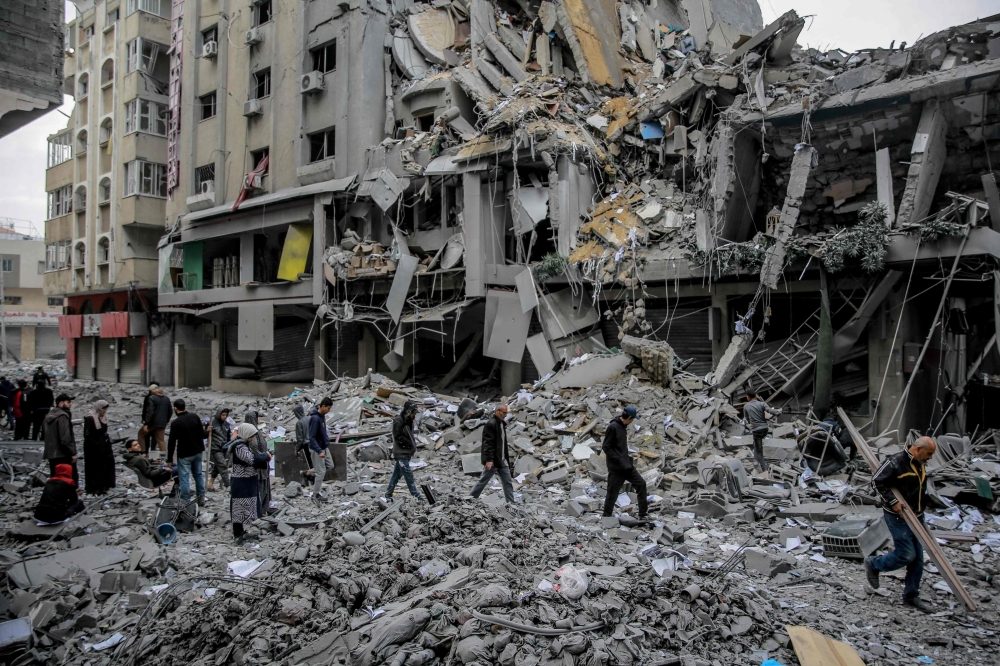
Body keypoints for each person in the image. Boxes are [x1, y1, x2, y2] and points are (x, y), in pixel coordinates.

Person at [864, 437, 938, 614]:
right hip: (898, 516)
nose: (930, 458)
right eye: (929, 454)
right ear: (918, 449)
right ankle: (874, 564)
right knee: (907, 554)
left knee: (918, 559)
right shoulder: (896, 462)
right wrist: (894, 501)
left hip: (916, 515)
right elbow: (876, 481)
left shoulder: (919, 462)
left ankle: (911, 595)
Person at [601, 405, 648, 519]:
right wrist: (618, 459)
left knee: (641, 484)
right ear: (629, 418)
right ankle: (606, 517)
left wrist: (624, 460)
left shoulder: (622, 427)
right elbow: (606, 447)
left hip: (626, 466)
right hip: (616, 468)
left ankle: (643, 514)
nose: (631, 422)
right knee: (612, 493)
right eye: (632, 419)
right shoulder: (613, 427)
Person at [229, 423, 272, 544]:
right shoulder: (239, 446)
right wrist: (265, 456)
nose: (252, 438)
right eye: (251, 435)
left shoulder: (243, 444)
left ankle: (241, 531)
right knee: (238, 508)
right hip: (241, 482)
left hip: (246, 481)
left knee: (245, 505)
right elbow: (251, 459)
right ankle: (237, 534)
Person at [470, 403, 516, 504]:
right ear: (497, 411)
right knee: (483, 480)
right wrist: (489, 459)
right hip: (494, 460)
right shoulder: (491, 424)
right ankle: (470, 499)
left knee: (507, 481)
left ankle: (511, 504)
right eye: (504, 413)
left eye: (506, 413)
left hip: (501, 460)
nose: (505, 415)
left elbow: (502, 442)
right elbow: (488, 443)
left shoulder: (501, 424)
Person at [167, 399, 207, 506]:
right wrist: (208, 431)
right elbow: (203, 434)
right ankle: (201, 497)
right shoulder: (194, 417)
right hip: (198, 451)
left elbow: (171, 443)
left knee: (184, 478)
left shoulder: (175, 423)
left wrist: (169, 459)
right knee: (198, 474)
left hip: (184, 454)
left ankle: (186, 500)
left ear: (175, 408)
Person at [384, 400, 422, 503]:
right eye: (413, 413)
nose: (414, 415)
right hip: (401, 453)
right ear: (409, 411)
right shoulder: (399, 421)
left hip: (407, 453)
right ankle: (416, 495)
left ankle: (388, 494)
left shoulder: (408, 420)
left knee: (396, 475)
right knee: (408, 473)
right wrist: (409, 444)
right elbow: (398, 437)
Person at [743, 389, 782, 472]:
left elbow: (747, 420)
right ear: (756, 396)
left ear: (748, 397)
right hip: (765, 429)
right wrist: (778, 412)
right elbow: (770, 411)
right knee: (756, 444)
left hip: (756, 430)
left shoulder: (746, 406)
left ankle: (764, 469)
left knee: (759, 450)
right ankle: (756, 461)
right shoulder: (762, 404)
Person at [243, 410, 274, 514]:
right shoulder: (249, 433)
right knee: (258, 489)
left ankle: (263, 509)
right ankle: (257, 511)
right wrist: (264, 456)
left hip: (263, 464)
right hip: (258, 466)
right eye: (257, 417)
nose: (259, 420)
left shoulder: (256, 431)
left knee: (264, 487)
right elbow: (254, 450)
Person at [43, 394, 78, 485]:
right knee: (68, 479)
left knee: (55, 477)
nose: (70, 404)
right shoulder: (63, 416)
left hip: (52, 453)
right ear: (61, 403)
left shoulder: (50, 416)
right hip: (62, 453)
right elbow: (65, 438)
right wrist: (72, 453)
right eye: (68, 402)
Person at [83, 399, 116, 495]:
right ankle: (94, 488)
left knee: (105, 465)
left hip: (103, 445)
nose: (104, 411)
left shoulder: (103, 418)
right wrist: (96, 444)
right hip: (93, 447)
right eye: (103, 409)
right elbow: (88, 435)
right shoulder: (90, 418)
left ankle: (104, 486)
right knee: (94, 467)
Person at [307, 398, 334, 501]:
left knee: (330, 465)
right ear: (323, 406)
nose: (329, 410)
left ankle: (310, 472)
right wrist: (319, 451)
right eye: (328, 408)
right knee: (321, 472)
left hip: (323, 446)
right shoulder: (315, 419)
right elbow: (312, 437)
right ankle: (315, 495)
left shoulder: (322, 416)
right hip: (316, 448)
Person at [206, 407, 232, 492]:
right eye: (223, 415)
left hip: (224, 448)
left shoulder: (227, 424)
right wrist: (207, 430)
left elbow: (228, 437)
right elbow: (205, 434)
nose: (224, 416)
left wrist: (229, 446)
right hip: (215, 448)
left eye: (226, 415)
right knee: (223, 465)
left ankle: (210, 483)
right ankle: (228, 485)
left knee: (217, 467)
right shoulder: (212, 423)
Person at [142, 385, 172, 452]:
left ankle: (144, 452)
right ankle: (163, 456)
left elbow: (150, 411)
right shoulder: (166, 398)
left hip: (153, 423)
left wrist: (146, 423)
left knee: (141, 434)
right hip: (162, 423)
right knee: (161, 440)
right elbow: (170, 411)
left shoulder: (152, 398)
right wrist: (166, 421)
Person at [293, 404, 314, 484]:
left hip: (306, 445)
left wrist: (297, 448)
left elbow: (300, 438)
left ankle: (310, 478)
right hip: (313, 443)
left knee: (308, 462)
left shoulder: (299, 423)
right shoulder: (310, 418)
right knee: (314, 461)